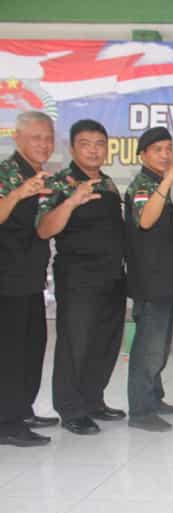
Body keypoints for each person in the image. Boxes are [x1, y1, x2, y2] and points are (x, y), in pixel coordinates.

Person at [36, 119, 126, 435]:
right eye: (85, 144)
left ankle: (92, 400)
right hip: (79, 277)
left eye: (99, 144)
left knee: (105, 342)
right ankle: (71, 409)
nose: (93, 150)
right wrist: (72, 201)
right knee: (76, 343)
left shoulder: (108, 183)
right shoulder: (61, 183)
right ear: (72, 148)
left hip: (112, 275)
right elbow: (44, 228)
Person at [124, 127, 173, 432]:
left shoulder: (157, 183)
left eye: (168, 149)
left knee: (160, 345)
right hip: (149, 280)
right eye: (157, 150)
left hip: (164, 278)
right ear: (143, 155)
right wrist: (167, 183)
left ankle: (154, 397)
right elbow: (146, 221)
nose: (165, 155)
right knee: (148, 347)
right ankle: (140, 410)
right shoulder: (143, 185)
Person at [0, 111, 57, 446]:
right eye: (36, 137)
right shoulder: (6, 173)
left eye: (48, 138)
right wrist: (18, 193)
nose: (44, 144)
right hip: (6, 278)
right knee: (9, 352)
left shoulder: (40, 176)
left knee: (32, 347)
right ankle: (6, 423)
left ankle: (21, 409)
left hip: (30, 277)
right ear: (17, 137)